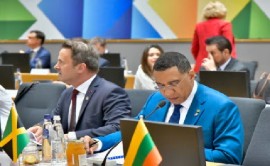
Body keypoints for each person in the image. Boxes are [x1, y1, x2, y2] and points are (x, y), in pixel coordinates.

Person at [83, 52, 244, 164]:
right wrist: (98, 143)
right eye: (160, 85)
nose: (167, 92)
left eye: (174, 84)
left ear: (191, 75)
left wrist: (174, 152)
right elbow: (134, 133)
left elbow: (229, 156)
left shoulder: (221, 107)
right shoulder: (156, 99)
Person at [28, 40, 131, 142]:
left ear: (81, 68)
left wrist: (72, 136)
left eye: (61, 62)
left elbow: (117, 128)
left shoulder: (112, 93)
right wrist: (42, 127)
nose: (56, 66)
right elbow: (54, 119)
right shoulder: (67, 93)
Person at [191, 1, 236, 73]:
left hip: (202, 64)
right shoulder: (225, 24)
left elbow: (194, 49)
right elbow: (228, 46)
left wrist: (201, 59)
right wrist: (231, 64)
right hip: (219, 66)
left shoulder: (199, 26)